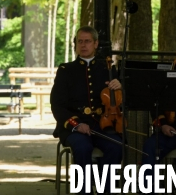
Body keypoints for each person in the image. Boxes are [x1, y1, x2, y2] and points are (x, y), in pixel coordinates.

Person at [50, 26, 123, 194]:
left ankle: (106, 189)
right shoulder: (65, 71)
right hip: (74, 127)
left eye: (87, 41)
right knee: (82, 148)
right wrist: (75, 125)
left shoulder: (108, 69)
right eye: (79, 41)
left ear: (96, 44)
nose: (83, 45)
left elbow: (121, 100)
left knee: (117, 146)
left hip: (102, 125)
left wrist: (120, 87)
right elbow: (57, 105)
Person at [141, 35, 176, 184]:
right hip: (174, 133)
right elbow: (156, 102)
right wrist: (163, 124)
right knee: (150, 146)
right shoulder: (170, 74)